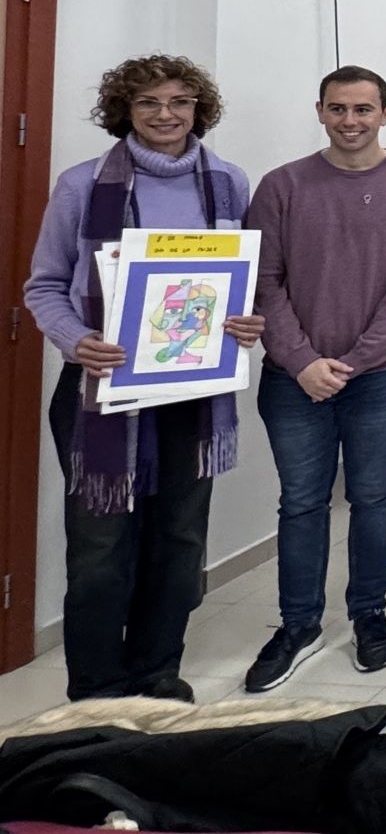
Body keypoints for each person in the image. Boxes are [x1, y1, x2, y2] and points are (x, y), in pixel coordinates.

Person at [25, 56, 262, 703]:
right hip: (99, 396)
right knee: (100, 550)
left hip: (192, 395)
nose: (166, 114)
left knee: (179, 540)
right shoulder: (83, 186)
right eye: (150, 102)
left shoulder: (227, 183)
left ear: (199, 109)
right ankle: (98, 689)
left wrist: (243, 323)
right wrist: (78, 340)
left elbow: (236, 285)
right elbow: (44, 286)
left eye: (180, 101)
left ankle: (157, 673)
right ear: (124, 111)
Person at [244, 66, 386, 692]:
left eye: (363, 110)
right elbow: (264, 279)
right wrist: (302, 360)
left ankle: (369, 615)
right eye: (338, 109)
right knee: (301, 503)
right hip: (292, 377)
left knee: (374, 497)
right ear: (320, 111)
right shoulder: (282, 187)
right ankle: (299, 624)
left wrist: (353, 362)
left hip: (381, 376)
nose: (350, 121)